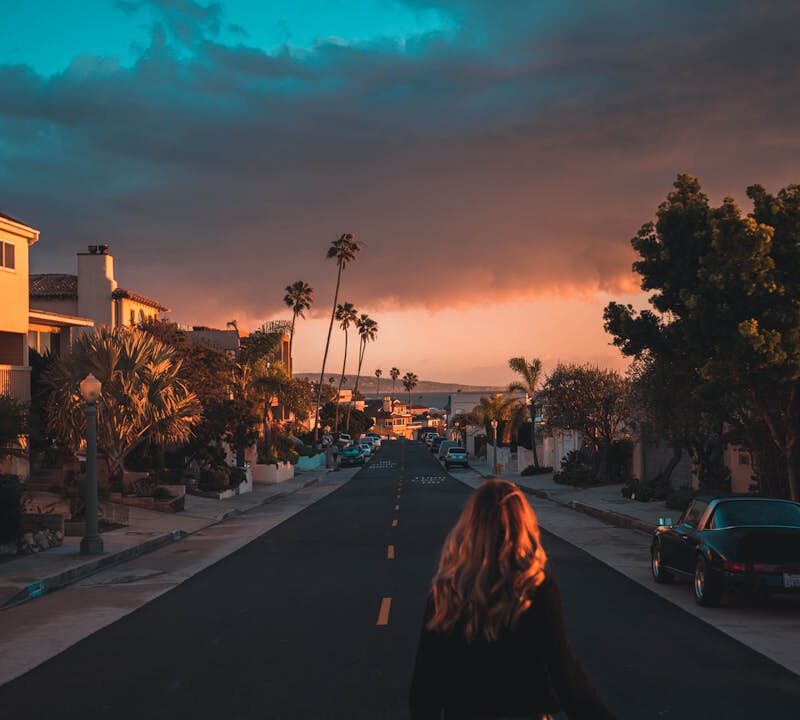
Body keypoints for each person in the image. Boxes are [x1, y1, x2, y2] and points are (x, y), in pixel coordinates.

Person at [409, 479, 616, 720]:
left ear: (470, 527)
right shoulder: (535, 587)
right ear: (523, 525)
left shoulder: (446, 591)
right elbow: (566, 675)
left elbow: (425, 686)